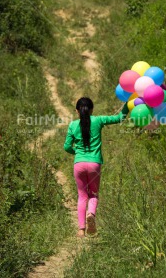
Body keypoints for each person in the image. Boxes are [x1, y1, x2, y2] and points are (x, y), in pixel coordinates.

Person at [64, 97, 129, 238]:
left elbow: (67, 147)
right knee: (93, 194)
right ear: (92, 110)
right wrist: (128, 105)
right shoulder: (98, 120)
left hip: (79, 164)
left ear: (77, 111)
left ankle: (81, 230)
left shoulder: (73, 125)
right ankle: (91, 214)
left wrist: (77, 153)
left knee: (82, 196)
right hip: (94, 164)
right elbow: (119, 118)